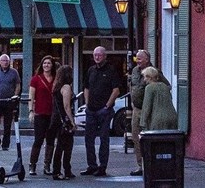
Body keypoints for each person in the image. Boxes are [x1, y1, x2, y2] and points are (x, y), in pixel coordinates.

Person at [81, 46, 122, 177]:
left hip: (104, 111)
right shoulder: (91, 70)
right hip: (91, 110)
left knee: (104, 139)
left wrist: (107, 106)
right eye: (95, 55)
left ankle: (102, 167)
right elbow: (86, 88)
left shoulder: (111, 71)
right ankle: (91, 166)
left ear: (105, 56)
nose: (97, 57)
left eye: (99, 55)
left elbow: (116, 90)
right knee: (89, 139)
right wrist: (87, 103)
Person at [28, 56, 57, 176]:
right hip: (40, 113)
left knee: (50, 140)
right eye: (44, 63)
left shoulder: (56, 79)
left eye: (49, 63)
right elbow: (31, 96)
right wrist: (31, 111)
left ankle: (47, 165)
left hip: (53, 114)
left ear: (52, 65)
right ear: (41, 65)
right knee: (38, 140)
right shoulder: (36, 79)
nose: (46, 65)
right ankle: (32, 165)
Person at [49, 64, 77, 181]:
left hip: (56, 117)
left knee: (61, 145)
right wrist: (72, 121)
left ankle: (64, 169)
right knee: (65, 146)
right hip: (63, 120)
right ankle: (60, 170)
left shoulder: (56, 86)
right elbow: (66, 106)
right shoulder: (66, 87)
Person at [0, 53, 21, 151]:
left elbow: (18, 85)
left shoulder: (14, 72)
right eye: (3, 60)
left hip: (9, 101)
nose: (5, 62)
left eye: (7, 60)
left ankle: (5, 144)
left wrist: (15, 96)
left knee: (7, 124)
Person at [128, 49, 151, 176]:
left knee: (148, 137)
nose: (137, 61)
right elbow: (132, 85)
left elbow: (166, 86)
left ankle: (149, 164)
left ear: (147, 59)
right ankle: (140, 165)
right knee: (136, 137)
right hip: (136, 109)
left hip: (148, 109)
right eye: (137, 58)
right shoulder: (135, 71)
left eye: (140, 58)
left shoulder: (154, 72)